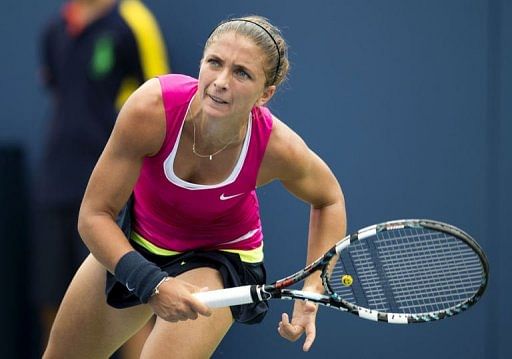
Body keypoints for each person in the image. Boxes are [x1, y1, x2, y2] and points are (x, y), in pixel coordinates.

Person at [43, 15, 346, 358]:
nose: (220, 81)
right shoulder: (151, 109)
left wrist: (311, 293)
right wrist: (152, 283)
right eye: (214, 63)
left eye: (241, 73)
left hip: (216, 257)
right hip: (140, 237)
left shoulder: (277, 148)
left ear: (266, 94)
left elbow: (328, 198)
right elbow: (94, 215)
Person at [34, 0, 169, 357]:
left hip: (117, 188)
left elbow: (160, 100)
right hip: (58, 181)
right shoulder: (55, 30)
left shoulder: (133, 22)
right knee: (54, 297)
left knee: (126, 301)